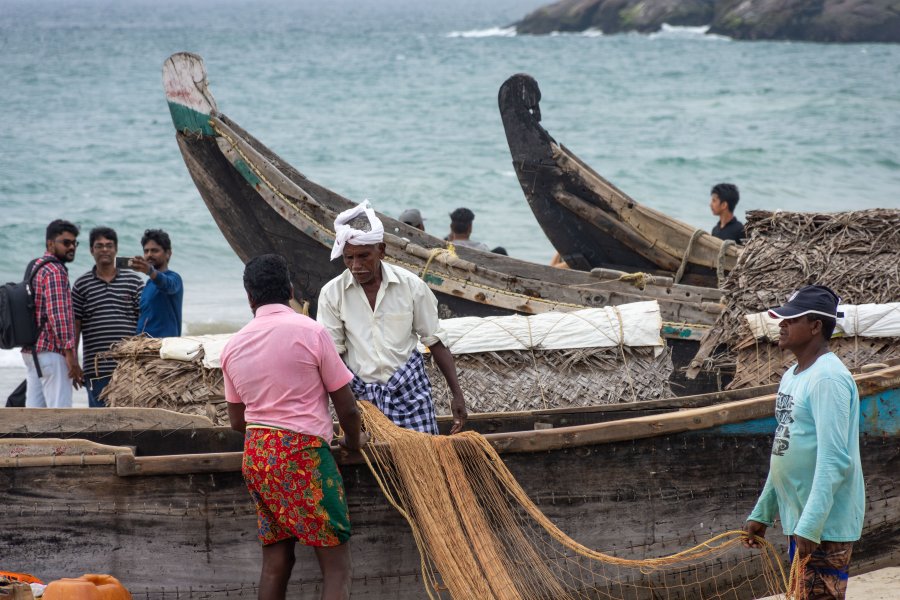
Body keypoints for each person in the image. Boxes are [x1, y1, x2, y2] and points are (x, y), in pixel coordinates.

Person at [222, 254, 367, 600]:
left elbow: (237, 421)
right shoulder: (311, 331)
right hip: (303, 456)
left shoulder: (233, 346)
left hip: (258, 457)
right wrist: (353, 441)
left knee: (276, 560)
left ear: (249, 297)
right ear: (289, 290)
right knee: (336, 565)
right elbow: (346, 406)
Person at [743, 285, 864, 600]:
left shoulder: (828, 379)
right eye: (782, 319)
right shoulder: (792, 376)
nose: (781, 325)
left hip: (824, 525)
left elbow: (834, 459)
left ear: (815, 327)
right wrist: (763, 512)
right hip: (802, 521)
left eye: (791, 319)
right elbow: (783, 446)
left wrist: (810, 525)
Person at [318, 200, 468, 435]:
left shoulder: (412, 286)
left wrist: (457, 396)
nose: (356, 266)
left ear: (382, 250)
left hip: (410, 394)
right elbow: (332, 357)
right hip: (362, 399)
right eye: (349, 258)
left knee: (424, 467)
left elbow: (435, 340)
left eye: (363, 256)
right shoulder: (332, 294)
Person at [72, 227, 143, 407]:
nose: (104, 250)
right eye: (99, 246)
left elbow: (143, 323)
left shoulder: (133, 281)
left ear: (116, 249)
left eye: (109, 246)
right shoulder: (82, 285)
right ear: (91, 250)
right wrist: (73, 361)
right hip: (96, 368)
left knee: (131, 420)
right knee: (99, 424)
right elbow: (75, 325)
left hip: (128, 368)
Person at [22, 219, 83, 408]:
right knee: (60, 416)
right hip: (52, 352)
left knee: (34, 416)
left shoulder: (37, 266)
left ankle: (30, 440)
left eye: (74, 243)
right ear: (50, 243)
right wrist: (70, 355)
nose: (72, 247)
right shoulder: (55, 270)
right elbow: (58, 314)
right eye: (66, 242)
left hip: (33, 351)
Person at [130, 229, 183, 337]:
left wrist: (150, 271)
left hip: (165, 348)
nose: (149, 255)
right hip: (145, 347)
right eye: (146, 251)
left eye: (154, 251)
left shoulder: (174, 278)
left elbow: (167, 285)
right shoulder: (149, 284)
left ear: (168, 253)